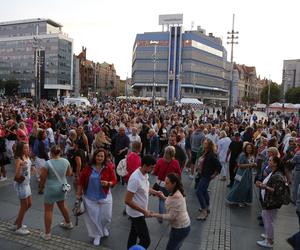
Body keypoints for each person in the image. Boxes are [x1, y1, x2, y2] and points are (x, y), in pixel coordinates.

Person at [77, 148, 117, 246]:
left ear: (104, 158)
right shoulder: (88, 167)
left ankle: (103, 228)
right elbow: (81, 182)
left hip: (105, 196)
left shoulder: (108, 167)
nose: (99, 158)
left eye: (101, 156)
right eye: (98, 156)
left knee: (107, 217)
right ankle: (97, 235)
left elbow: (114, 180)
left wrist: (108, 183)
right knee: (94, 218)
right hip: (90, 197)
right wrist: (78, 195)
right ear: (94, 156)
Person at [125, 154, 160, 249]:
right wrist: (144, 211)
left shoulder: (145, 174)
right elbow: (127, 200)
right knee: (146, 240)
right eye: (151, 167)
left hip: (140, 212)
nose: (153, 170)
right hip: (136, 214)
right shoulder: (135, 179)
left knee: (133, 234)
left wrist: (156, 192)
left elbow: (145, 188)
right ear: (144, 166)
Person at [39, 145, 73, 240]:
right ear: (60, 153)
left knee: (48, 210)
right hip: (62, 187)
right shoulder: (66, 161)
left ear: (51, 153)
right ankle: (68, 223)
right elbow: (69, 174)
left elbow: (43, 178)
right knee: (62, 205)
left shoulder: (47, 163)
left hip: (51, 189)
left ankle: (47, 234)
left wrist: (41, 187)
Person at [152, 173, 190, 250]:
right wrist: (163, 197)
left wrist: (154, 214)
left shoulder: (176, 196)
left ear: (174, 183)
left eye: (167, 183)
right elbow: (172, 202)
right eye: (165, 182)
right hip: (181, 227)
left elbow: (171, 216)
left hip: (180, 228)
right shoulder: (176, 191)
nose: (165, 185)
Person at [255, 156, 287, 248]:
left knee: (268, 221)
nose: (268, 161)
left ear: (275, 163)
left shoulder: (278, 175)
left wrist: (263, 186)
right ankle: (268, 236)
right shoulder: (274, 172)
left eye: (270, 160)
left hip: (271, 202)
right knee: (267, 219)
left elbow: (277, 191)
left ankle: (269, 241)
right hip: (269, 201)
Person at [153, 146, 181, 222]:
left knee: (161, 200)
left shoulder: (160, 161)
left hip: (161, 184)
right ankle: (171, 215)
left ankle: (161, 217)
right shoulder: (175, 162)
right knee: (171, 199)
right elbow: (179, 174)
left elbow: (155, 172)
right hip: (171, 185)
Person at [196, 138, 222, 220]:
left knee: (199, 192)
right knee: (204, 191)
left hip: (206, 176)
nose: (204, 144)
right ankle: (207, 207)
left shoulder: (211, 155)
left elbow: (219, 166)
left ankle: (204, 211)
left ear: (209, 145)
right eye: (204, 143)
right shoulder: (205, 152)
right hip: (202, 174)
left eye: (206, 143)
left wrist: (214, 174)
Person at [226, 143, 256, 207]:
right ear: (245, 148)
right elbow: (240, 165)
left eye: (250, 148)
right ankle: (237, 200)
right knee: (239, 187)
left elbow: (251, 164)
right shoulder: (242, 155)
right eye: (248, 148)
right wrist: (250, 165)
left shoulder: (251, 155)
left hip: (248, 174)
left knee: (246, 187)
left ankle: (242, 200)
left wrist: (253, 165)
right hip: (241, 174)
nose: (249, 149)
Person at [11, 142, 33, 235]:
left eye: (28, 148)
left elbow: (28, 169)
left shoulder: (27, 157)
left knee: (29, 204)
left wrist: (32, 170)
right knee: (24, 205)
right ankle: (18, 227)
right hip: (21, 185)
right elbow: (16, 175)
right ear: (21, 149)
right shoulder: (19, 160)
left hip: (27, 183)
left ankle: (16, 223)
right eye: (25, 148)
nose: (27, 150)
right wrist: (21, 166)